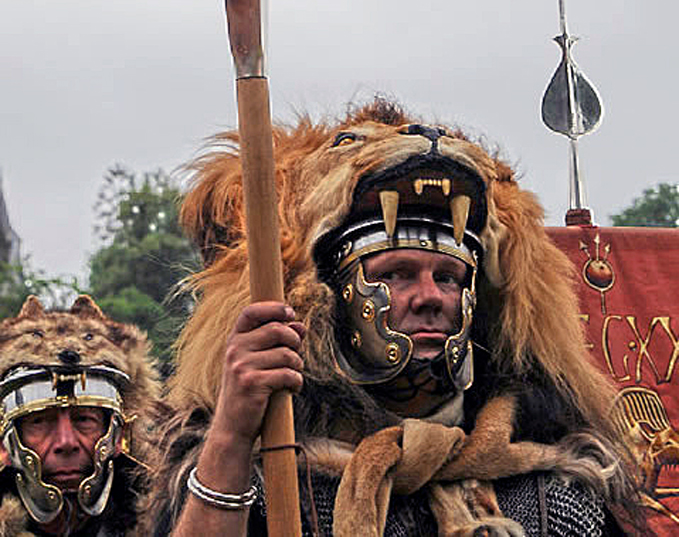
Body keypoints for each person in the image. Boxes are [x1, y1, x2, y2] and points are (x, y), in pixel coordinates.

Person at [145, 99, 644, 536]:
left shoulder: (548, 485)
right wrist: (232, 432)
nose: (431, 297)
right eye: (397, 274)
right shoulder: (269, 473)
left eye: (448, 277)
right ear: (331, 298)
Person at [0, 294, 160, 536]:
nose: (66, 443)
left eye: (84, 419)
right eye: (40, 421)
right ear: (5, 442)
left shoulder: (170, 518)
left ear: (118, 435)